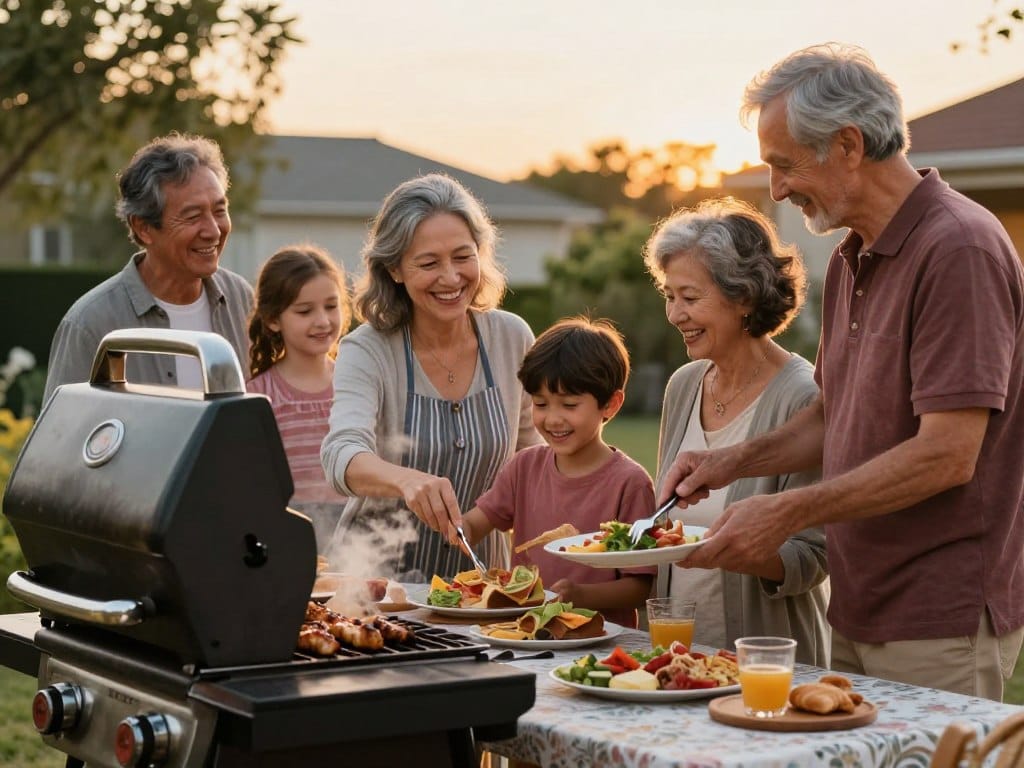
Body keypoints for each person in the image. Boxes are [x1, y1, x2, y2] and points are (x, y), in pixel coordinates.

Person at [663, 43, 1024, 700]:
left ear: (849, 146)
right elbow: (833, 417)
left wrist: (786, 509)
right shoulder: (852, 258)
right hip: (857, 606)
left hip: (937, 616)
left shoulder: (959, 248)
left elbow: (948, 455)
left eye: (784, 165)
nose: (775, 189)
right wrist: (733, 463)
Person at [320, 173, 542, 581]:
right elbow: (341, 456)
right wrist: (406, 481)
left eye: (463, 257)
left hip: (480, 586)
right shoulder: (367, 350)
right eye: (429, 263)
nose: (451, 278)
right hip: (375, 588)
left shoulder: (512, 338)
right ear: (395, 270)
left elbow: (535, 460)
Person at [643, 197, 829, 665]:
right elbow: (665, 525)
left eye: (689, 297)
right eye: (669, 296)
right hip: (679, 660)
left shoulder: (802, 397)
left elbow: (813, 557)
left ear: (743, 297)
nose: (674, 315)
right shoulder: (684, 386)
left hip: (764, 664)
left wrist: (730, 551)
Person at [450, 317, 656, 629]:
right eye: (541, 403)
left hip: (601, 643)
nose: (553, 419)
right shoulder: (525, 467)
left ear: (610, 405)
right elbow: (476, 524)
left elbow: (640, 587)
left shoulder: (630, 483)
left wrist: (581, 596)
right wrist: (455, 525)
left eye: (569, 405)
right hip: (527, 633)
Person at [43, 133, 252, 400]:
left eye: (220, 211)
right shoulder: (91, 323)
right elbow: (63, 435)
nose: (213, 231)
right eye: (193, 216)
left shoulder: (242, 300)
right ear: (143, 228)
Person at [246, 244, 351, 552]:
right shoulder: (256, 397)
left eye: (331, 306)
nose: (322, 321)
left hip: (356, 543)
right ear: (272, 320)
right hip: (285, 543)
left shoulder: (355, 386)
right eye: (305, 311)